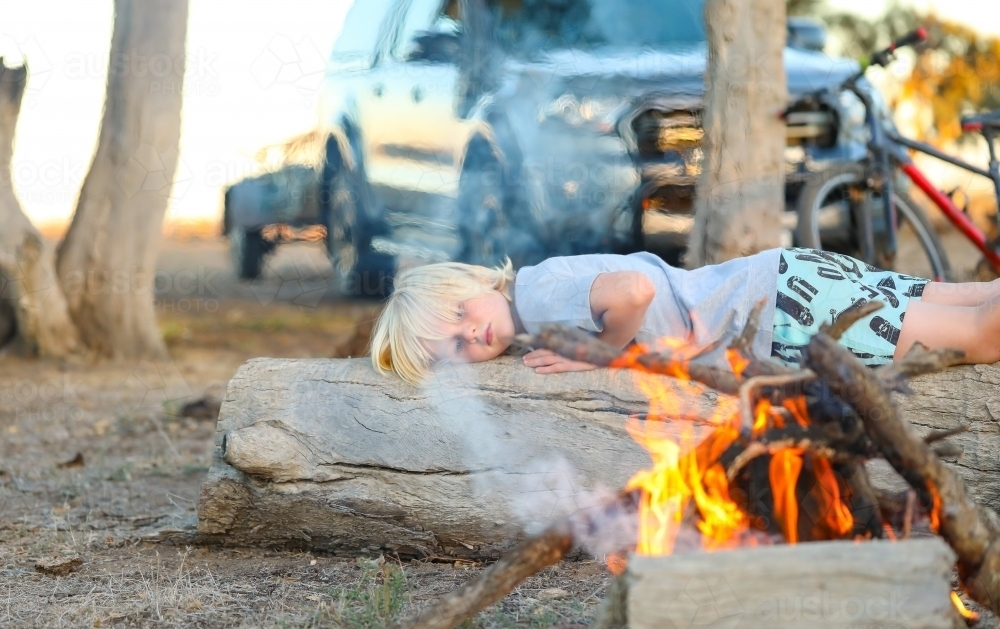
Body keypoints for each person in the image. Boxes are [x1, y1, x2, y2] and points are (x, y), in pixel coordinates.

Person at [370, 248, 1000, 385]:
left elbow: (634, 291)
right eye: (451, 344)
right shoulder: (537, 287)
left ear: (476, 282)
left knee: (979, 337)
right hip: (783, 276)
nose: (470, 332)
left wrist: (609, 351)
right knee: (972, 297)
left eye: (457, 311)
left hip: (787, 313)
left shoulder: (532, 300)